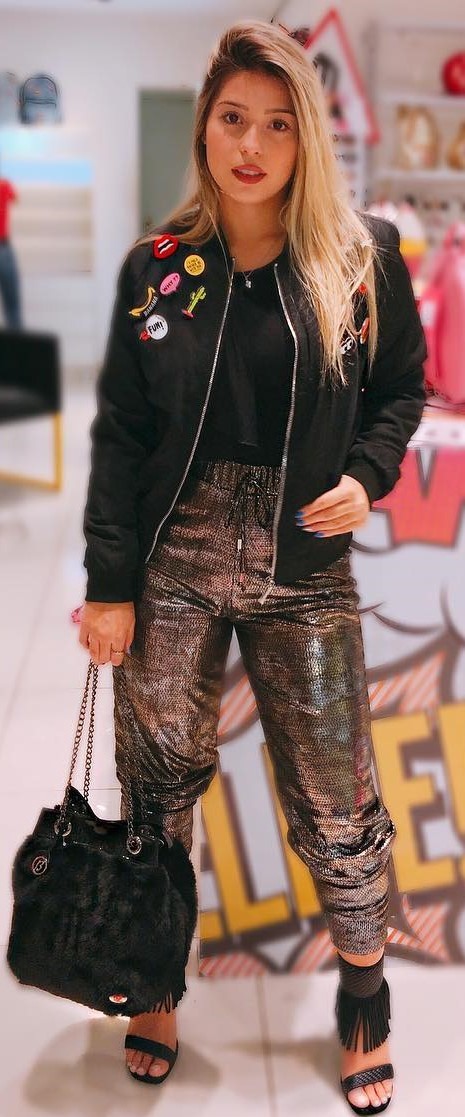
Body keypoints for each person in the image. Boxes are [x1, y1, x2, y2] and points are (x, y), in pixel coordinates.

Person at [79, 19, 427, 1109]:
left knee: (336, 795)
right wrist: (109, 583)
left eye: (278, 125)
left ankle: (365, 994)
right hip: (174, 553)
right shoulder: (159, 268)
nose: (252, 145)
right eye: (234, 118)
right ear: (205, 128)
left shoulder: (359, 257)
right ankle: (152, 981)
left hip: (305, 558)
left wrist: (367, 474)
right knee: (158, 788)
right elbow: (122, 433)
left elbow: (400, 387)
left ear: (306, 138)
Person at [0, 166, 23, 329]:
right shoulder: (4, 185)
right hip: (3, 248)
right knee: (12, 307)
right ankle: (16, 342)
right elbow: (16, 199)